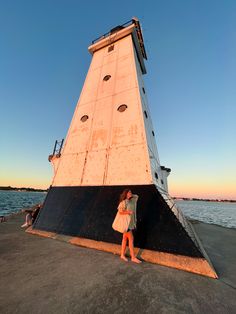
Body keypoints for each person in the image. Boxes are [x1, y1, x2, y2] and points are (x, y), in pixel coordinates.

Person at [118, 189, 142, 263]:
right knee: (131, 239)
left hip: (130, 223)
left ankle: (122, 255)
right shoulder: (123, 202)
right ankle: (133, 257)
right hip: (126, 224)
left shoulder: (132, 201)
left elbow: (137, 196)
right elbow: (120, 212)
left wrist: (130, 195)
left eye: (131, 192)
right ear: (125, 194)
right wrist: (128, 212)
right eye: (129, 192)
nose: (130, 193)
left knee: (124, 238)